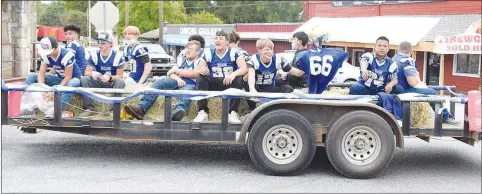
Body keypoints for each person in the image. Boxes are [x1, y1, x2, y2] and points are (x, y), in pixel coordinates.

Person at [124, 40, 206, 121]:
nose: (187, 50)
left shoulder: (200, 61)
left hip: (190, 84)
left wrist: (177, 71)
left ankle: (178, 112)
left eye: (191, 49)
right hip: (176, 80)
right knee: (159, 82)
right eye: (186, 48)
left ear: (198, 52)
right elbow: (170, 73)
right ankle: (141, 108)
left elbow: (193, 74)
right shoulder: (181, 59)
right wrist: (178, 78)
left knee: (186, 93)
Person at [394, 41, 458, 124]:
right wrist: (418, 77)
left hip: (394, 89)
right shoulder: (407, 61)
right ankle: (445, 116)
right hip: (404, 90)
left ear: (398, 49)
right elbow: (412, 83)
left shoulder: (394, 59)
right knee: (432, 92)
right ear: (411, 51)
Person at [192, 30, 248, 123]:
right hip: (214, 83)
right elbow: (197, 69)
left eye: (221, 38)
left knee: (238, 78)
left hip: (228, 83)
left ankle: (232, 112)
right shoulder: (208, 52)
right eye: (216, 38)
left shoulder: (234, 52)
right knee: (201, 78)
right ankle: (202, 111)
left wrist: (233, 74)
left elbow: (244, 68)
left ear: (227, 42)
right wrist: (200, 70)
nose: (217, 40)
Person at [22, 36, 81, 116]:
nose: (47, 54)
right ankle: (27, 105)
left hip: (72, 79)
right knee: (31, 76)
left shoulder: (67, 55)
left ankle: (56, 110)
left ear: (54, 48)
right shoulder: (46, 55)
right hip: (59, 78)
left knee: (73, 83)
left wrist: (53, 91)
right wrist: (42, 88)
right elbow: (41, 72)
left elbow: (68, 77)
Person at [245, 38, 303, 110]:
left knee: (288, 88)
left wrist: (305, 68)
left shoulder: (277, 59)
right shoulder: (253, 59)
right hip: (258, 88)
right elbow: (251, 76)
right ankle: (252, 108)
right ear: (259, 50)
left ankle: (281, 109)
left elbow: (295, 72)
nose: (270, 52)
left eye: (271, 49)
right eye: (267, 49)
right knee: (248, 86)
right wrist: (252, 89)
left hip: (270, 88)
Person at [79, 32, 126, 117]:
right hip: (98, 81)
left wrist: (110, 78)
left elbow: (120, 75)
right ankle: (89, 108)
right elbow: (86, 72)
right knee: (84, 79)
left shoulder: (118, 56)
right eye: (98, 42)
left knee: (120, 81)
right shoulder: (94, 55)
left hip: (111, 82)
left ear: (110, 43)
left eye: (103, 42)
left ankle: (113, 110)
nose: (100, 44)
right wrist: (92, 73)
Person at [293, 27, 349, 94]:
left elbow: (298, 73)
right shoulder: (332, 52)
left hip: (311, 87)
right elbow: (345, 56)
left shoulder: (305, 54)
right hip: (323, 86)